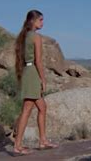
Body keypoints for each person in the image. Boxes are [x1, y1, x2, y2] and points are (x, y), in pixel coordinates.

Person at [12, 10, 58, 156]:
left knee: (42, 107)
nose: (42, 23)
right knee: (27, 109)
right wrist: (43, 79)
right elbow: (38, 61)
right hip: (32, 74)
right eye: (41, 20)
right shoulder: (36, 37)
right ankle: (17, 145)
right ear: (32, 21)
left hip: (27, 71)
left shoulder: (23, 36)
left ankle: (43, 141)